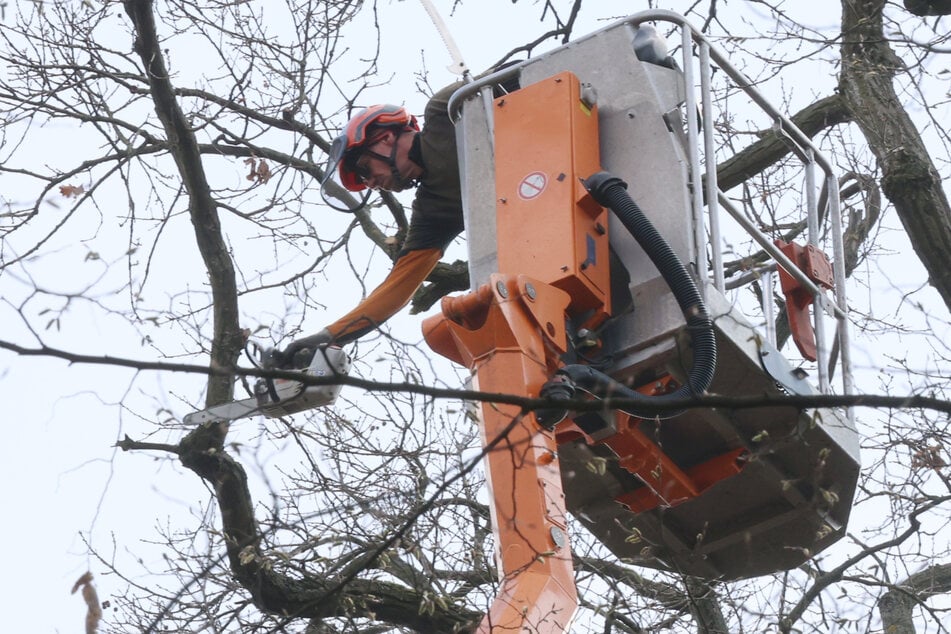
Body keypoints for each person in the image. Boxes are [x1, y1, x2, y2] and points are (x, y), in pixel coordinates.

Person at [279, 81, 465, 365]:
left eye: (365, 169)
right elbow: (397, 288)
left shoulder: (445, 111)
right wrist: (327, 337)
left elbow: (538, 69)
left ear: (386, 138)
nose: (372, 183)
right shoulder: (434, 208)